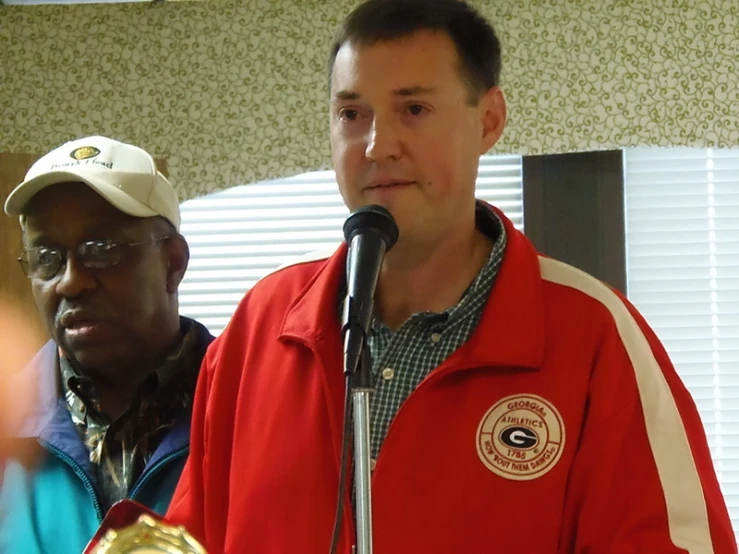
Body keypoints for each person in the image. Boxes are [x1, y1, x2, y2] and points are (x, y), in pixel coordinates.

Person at [166, 0, 737, 552]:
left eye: (413, 109)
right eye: (351, 114)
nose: (377, 145)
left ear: (488, 121)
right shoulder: (260, 328)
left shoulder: (594, 334)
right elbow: (189, 539)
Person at [0, 135, 215, 554]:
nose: (70, 281)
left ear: (173, 262)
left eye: (100, 250)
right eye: (46, 257)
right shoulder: (7, 426)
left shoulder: (248, 407)